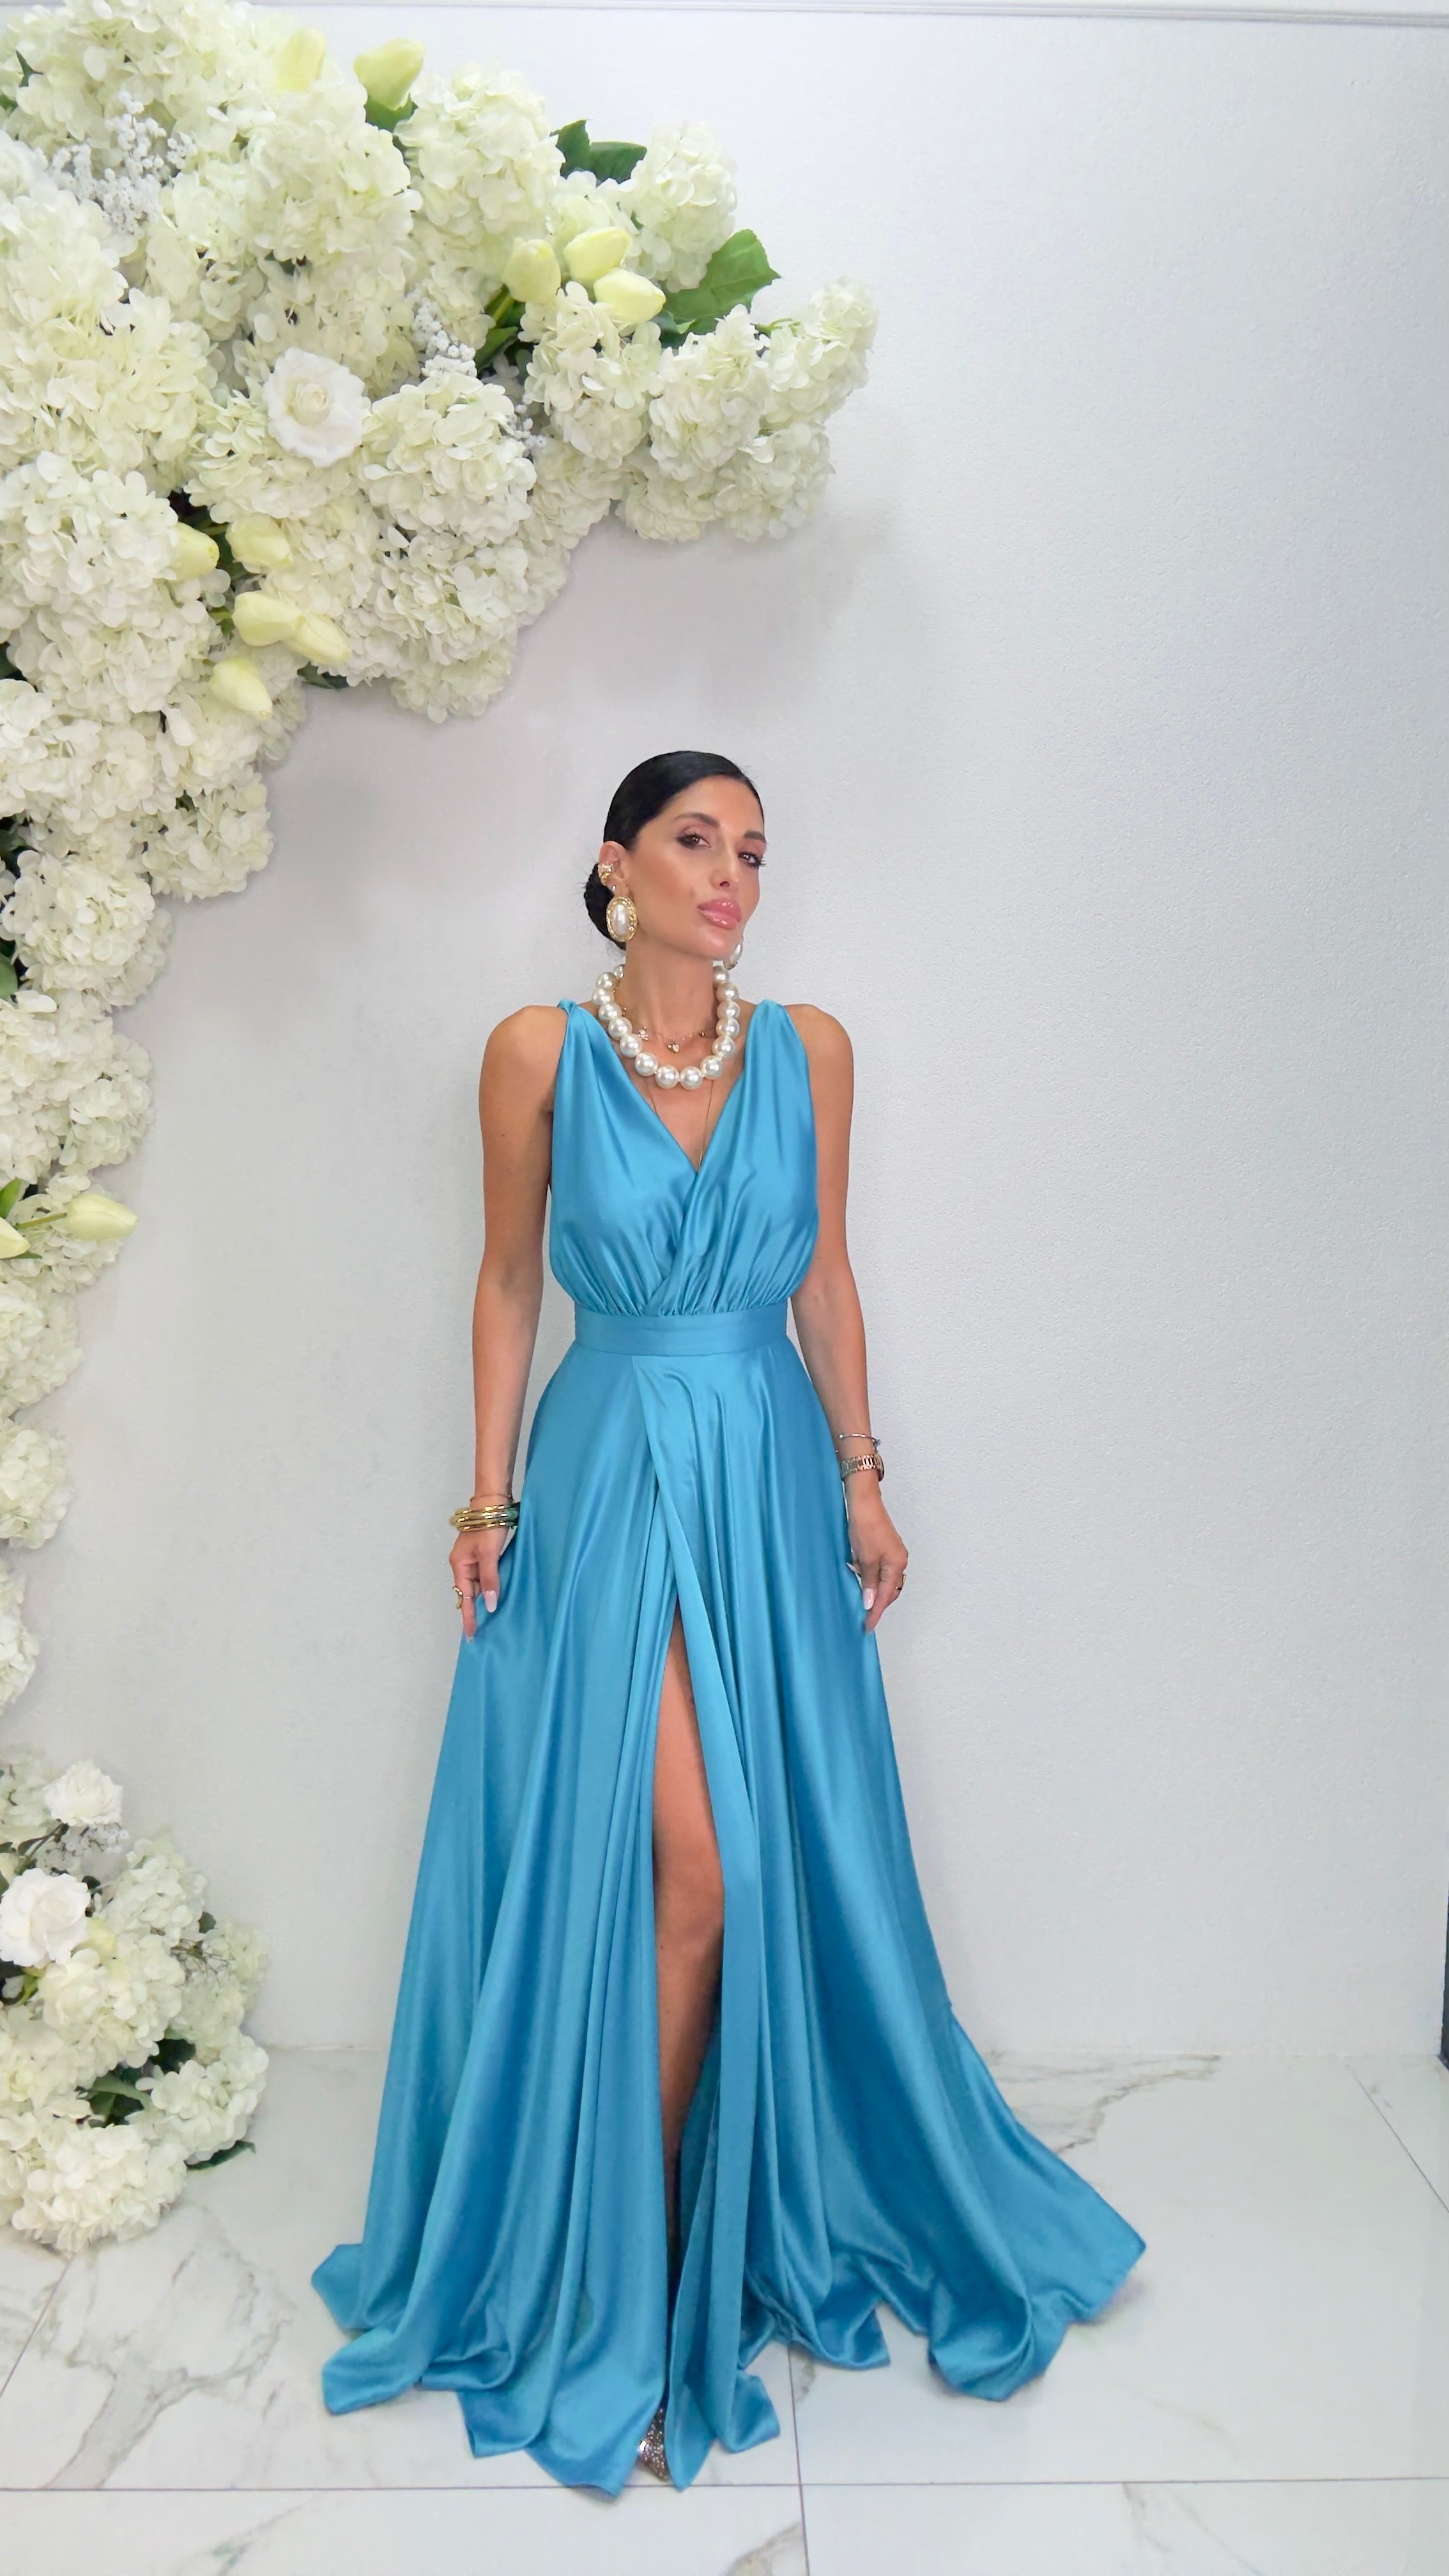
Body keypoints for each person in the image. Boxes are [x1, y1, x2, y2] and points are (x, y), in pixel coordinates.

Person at [311, 749, 1146, 2492]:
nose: (731, 878)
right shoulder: (536, 1051)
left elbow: (824, 1276)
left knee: (757, 1861)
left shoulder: (809, 1049)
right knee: (687, 1866)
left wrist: (860, 1476)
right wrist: (485, 1500)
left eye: (754, 852)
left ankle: (705, 2207)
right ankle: (624, 2271)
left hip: (763, 1466)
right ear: (615, 864)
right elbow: (508, 1280)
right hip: (613, 1464)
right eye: (696, 842)